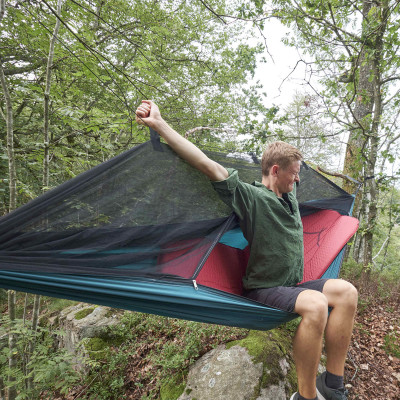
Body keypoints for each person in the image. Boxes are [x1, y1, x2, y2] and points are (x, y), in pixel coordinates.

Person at [135, 100, 358, 400]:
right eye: (294, 173)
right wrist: (160, 125)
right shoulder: (250, 196)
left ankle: (331, 384)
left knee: (347, 293)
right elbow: (206, 165)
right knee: (317, 305)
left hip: (295, 285)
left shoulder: (290, 197)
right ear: (276, 171)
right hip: (265, 288)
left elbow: (295, 178)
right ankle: (305, 397)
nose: (298, 179)